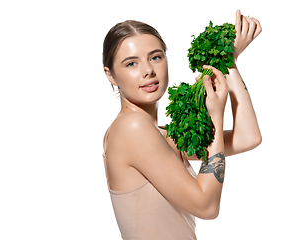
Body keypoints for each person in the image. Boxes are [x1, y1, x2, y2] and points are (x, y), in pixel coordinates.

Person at [102, 10, 262, 240]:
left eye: (155, 57)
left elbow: (248, 137)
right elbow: (206, 206)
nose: (148, 70)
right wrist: (215, 116)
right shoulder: (132, 127)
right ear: (111, 75)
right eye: (131, 63)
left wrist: (228, 62)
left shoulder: (161, 134)